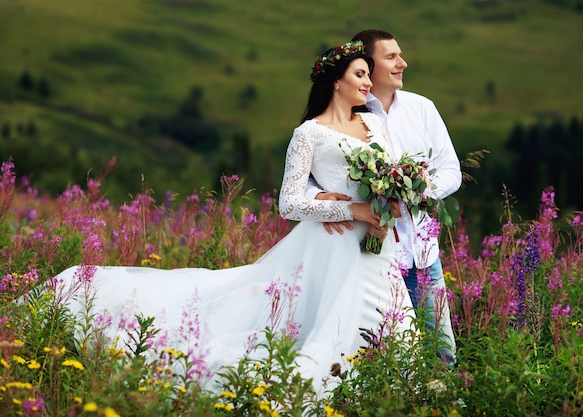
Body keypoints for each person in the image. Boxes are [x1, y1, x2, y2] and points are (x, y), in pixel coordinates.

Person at [52, 40, 415, 393]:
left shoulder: (375, 126)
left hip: (375, 242)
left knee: (391, 320)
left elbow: (389, 173)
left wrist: (391, 199)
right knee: (331, 326)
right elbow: (287, 203)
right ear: (336, 81)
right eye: (360, 75)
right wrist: (351, 209)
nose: (369, 83)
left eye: (368, 75)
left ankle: (396, 389)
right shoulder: (309, 134)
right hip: (335, 244)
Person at [306, 29, 462, 367]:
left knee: (442, 353)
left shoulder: (422, 108)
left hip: (422, 255)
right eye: (391, 57)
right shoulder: (348, 115)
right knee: (376, 357)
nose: (402, 63)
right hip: (368, 257)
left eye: (400, 55)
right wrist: (324, 198)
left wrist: (415, 190)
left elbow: (451, 170)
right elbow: (308, 177)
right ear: (366, 65)